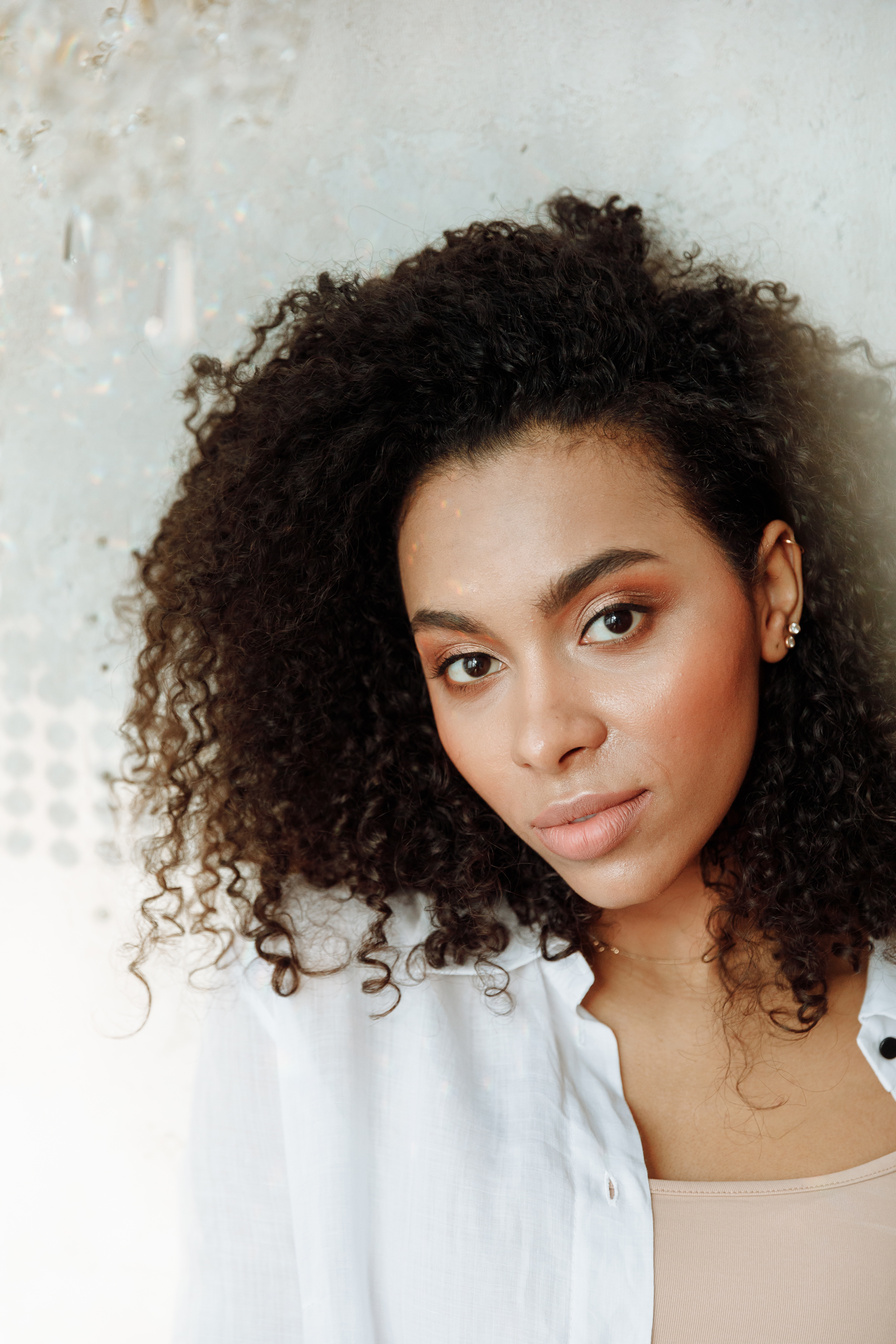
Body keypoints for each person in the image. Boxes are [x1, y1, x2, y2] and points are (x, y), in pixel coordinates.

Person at [122, 194, 896, 1344]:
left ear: (770, 588)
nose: (544, 735)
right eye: (470, 662)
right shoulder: (332, 1015)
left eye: (613, 620)